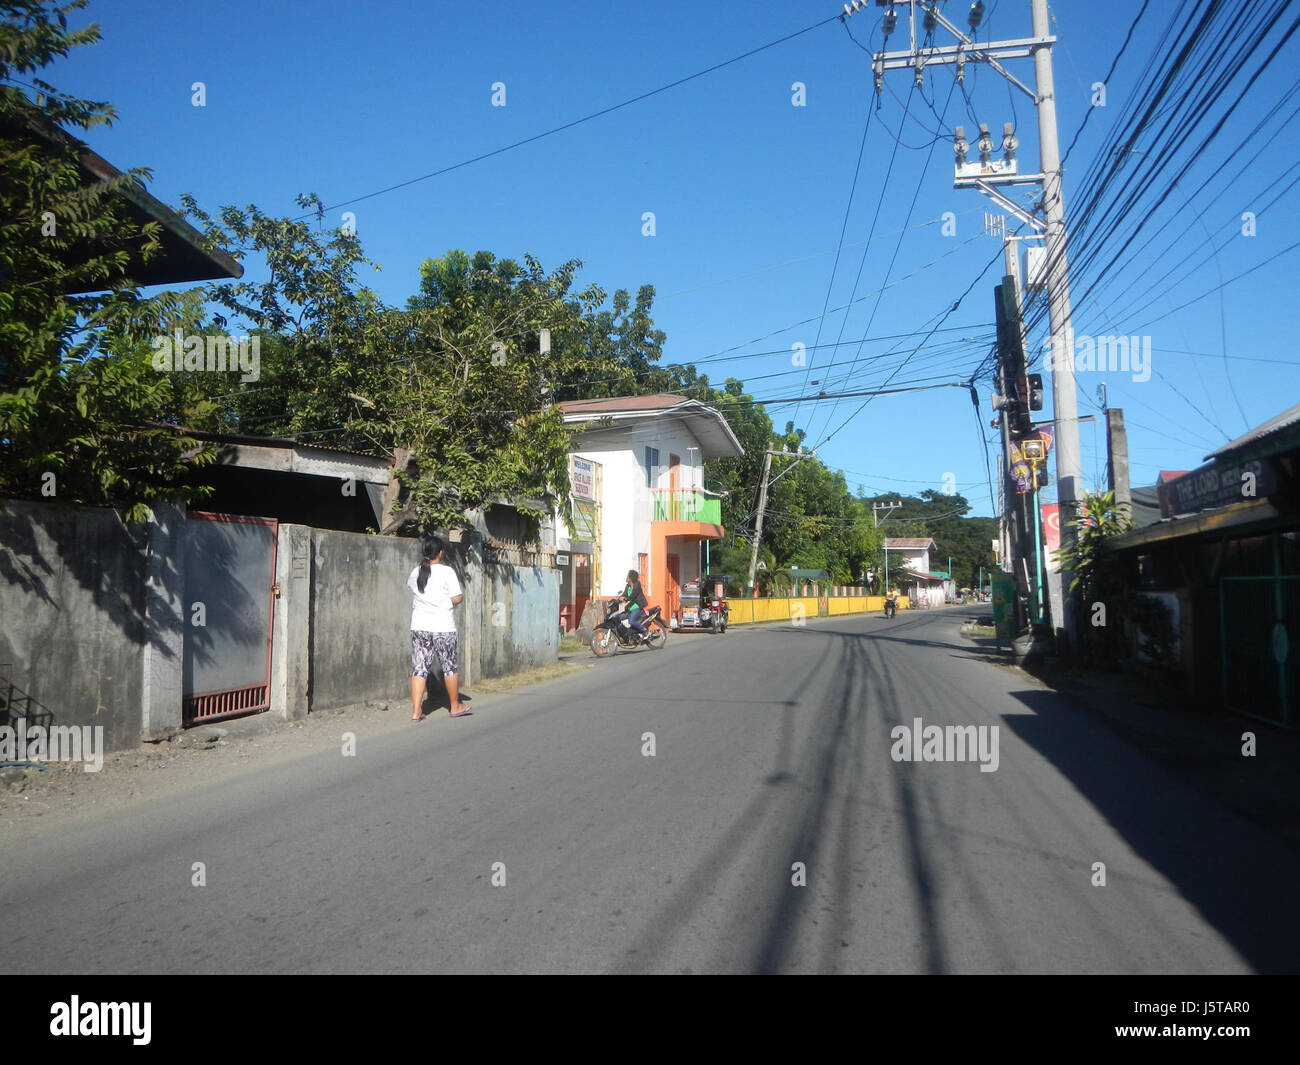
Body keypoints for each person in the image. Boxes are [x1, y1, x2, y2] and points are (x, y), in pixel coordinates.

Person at [408, 535, 471, 721]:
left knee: (420, 669)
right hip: (443, 626)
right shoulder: (447, 572)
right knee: (449, 666)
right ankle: (455, 706)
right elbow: (458, 597)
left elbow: (414, 590)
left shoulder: (416, 572)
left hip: (419, 626)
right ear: (441, 553)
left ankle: (416, 711)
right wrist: (445, 601)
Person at [623, 569, 649, 635]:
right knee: (620, 618)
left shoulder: (637, 584)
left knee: (631, 621)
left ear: (631, 578)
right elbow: (624, 594)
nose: (626, 577)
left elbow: (633, 596)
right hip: (630, 608)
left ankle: (644, 629)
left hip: (638, 607)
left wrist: (626, 599)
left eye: (628, 576)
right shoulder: (628, 586)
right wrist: (620, 598)